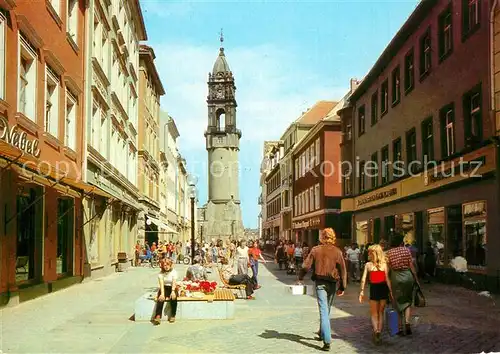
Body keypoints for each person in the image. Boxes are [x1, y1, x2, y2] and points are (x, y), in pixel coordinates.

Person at [297, 228, 347, 352]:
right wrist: (342, 287)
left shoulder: (316, 250)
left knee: (324, 310)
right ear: (333, 237)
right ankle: (324, 335)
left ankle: (326, 338)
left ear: (322, 237)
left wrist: (300, 277)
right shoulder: (337, 252)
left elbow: (305, 266)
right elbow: (343, 270)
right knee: (326, 309)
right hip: (332, 283)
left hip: (320, 283)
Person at [386, 233, 420, 335]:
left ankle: (399, 328)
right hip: (408, 276)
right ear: (401, 242)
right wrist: (416, 278)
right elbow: (411, 266)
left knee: (397, 302)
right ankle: (407, 323)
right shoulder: (406, 250)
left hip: (396, 277)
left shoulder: (389, 253)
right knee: (407, 301)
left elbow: (388, 269)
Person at [359, 244, 393, 344]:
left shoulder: (368, 265)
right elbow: (387, 279)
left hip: (374, 289)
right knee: (381, 312)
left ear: (373, 253)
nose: (368, 254)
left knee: (374, 313)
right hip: (383, 289)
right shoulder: (384, 265)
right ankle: (379, 330)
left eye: (370, 252)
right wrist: (391, 292)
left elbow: (363, 279)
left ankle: (376, 331)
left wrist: (361, 291)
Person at [153, 258, 178, 325]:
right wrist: (162, 294)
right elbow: (161, 284)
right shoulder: (160, 273)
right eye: (164, 265)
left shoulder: (174, 272)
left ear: (170, 265)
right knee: (160, 298)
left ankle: (173, 315)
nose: (166, 266)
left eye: (168, 265)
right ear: (162, 266)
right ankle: (158, 316)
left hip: (172, 287)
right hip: (164, 287)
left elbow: (174, 282)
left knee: (173, 297)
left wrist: (173, 291)